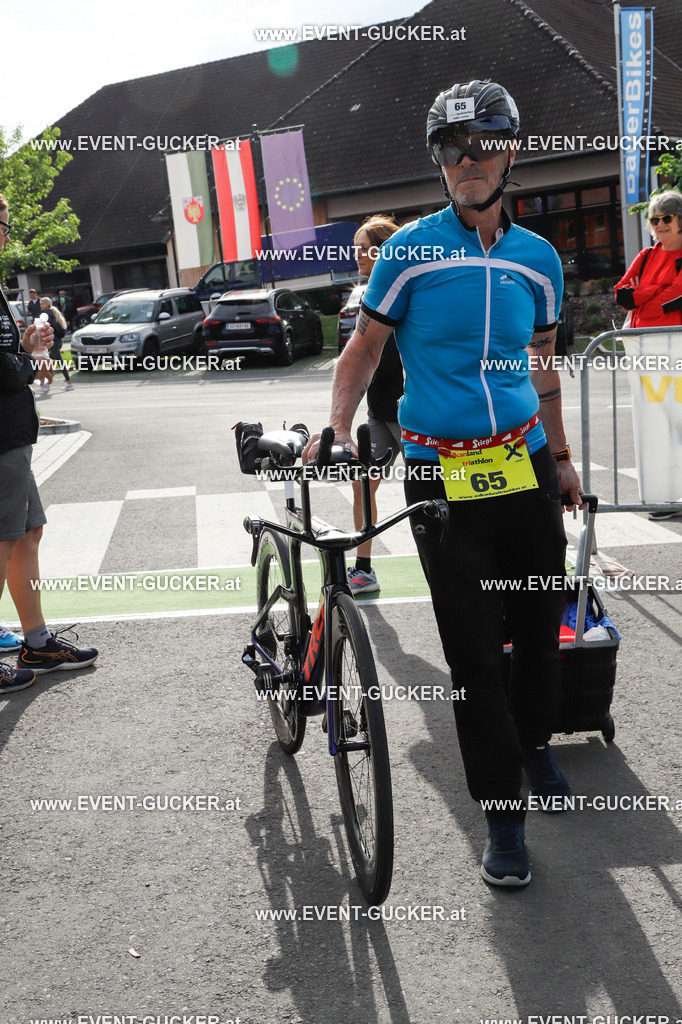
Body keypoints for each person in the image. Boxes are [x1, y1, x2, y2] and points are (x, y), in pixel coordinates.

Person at [304, 80, 583, 887]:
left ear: (510, 152)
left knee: (541, 630)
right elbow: (363, 349)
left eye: (483, 145)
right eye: (452, 149)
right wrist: (340, 423)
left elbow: (542, 364)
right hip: (441, 473)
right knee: (473, 652)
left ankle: (534, 743)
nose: (467, 160)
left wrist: (562, 457)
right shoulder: (409, 250)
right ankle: (502, 818)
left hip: (524, 464)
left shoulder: (538, 259)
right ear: (440, 161)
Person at [0, 194, 98, 692]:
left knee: (27, 533)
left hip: (12, 433)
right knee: (3, 541)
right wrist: (28, 358)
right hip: (1, 437)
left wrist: (25, 347)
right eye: (3, 226)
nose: (6, 237)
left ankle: (37, 643)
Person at [614, 189, 682, 521]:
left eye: (666, 218)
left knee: (678, 420)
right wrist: (653, 292)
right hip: (643, 350)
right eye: (654, 220)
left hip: (675, 349)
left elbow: (671, 301)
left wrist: (644, 295)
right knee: (654, 424)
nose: (659, 224)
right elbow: (622, 295)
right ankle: (663, 495)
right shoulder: (645, 256)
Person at [347, 215, 403, 594]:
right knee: (362, 484)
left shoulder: (403, 286)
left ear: (383, 251)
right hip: (380, 409)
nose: (356, 254)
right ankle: (363, 570)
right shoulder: (369, 291)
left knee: (436, 490)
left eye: (362, 248)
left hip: (412, 409)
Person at [39, 296, 73, 390]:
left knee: (59, 362)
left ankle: (69, 383)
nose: (40, 305)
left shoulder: (46, 315)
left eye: (42, 304)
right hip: (57, 341)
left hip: (52, 342)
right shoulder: (53, 313)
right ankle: (47, 384)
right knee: (50, 362)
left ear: (47, 304)